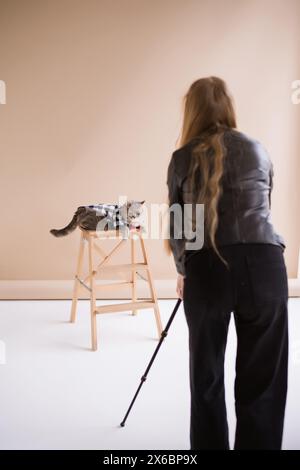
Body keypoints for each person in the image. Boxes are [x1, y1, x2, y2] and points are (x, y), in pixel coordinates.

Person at [166, 76, 289, 450]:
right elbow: (263, 208)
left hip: (209, 266)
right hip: (266, 266)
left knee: (206, 378)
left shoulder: (183, 156)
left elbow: (181, 227)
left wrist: (185, 270)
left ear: (192, 110)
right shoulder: (258, 148)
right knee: (263, 382)